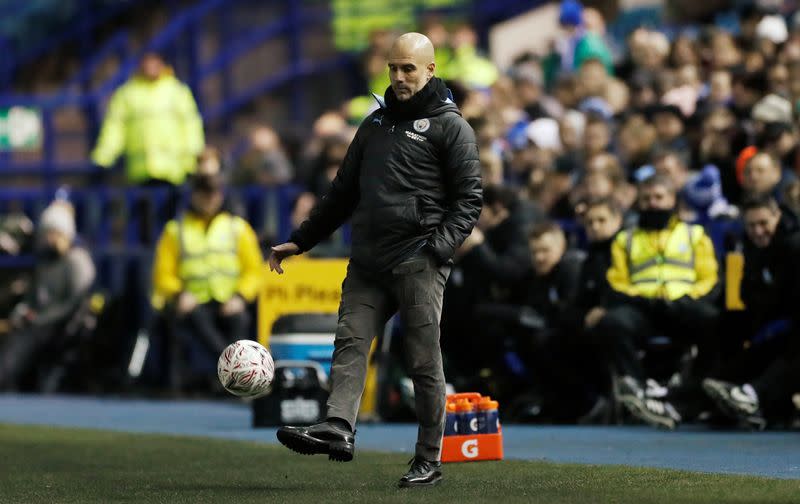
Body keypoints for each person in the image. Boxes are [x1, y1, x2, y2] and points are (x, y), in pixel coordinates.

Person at [270, 32, 481, 488]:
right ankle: (339, 428)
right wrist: (300, 241)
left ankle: (428, 459)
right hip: (368, 260)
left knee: (423, 362)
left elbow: (469, 200)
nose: (400, 77)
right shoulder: (374, 124)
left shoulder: (450, 127)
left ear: (430, 70)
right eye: (394, 68)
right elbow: (341, 194)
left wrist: (436, 250)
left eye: (409, 68)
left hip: (418, 259)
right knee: (349, 343)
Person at [599, 174, 719, 429]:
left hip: (683, 308)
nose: (653, 204)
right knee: (613, 322)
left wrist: (688, 298)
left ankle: (692, 395)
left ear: (672, 200)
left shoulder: (695, 234)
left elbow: (709, 277)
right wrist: (644, 299)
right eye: (646, 199)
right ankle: (637, 390)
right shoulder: (625, 239)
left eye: (659, 197)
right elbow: (617, 281)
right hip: (644, 310)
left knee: (713, 321)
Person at [151, 172, 264, 389]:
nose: (209, 199)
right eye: (204, 193)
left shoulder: (237, 228)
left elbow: (253, 270)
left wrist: (240, 296)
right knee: (198, 321)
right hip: (192, 301)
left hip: (228, 300)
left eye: (213, 193)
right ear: (194, 195)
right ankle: (239, 372)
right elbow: (163, 274)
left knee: (239, 319)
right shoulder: (176, 230)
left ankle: (230, 374)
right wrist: (179, 294)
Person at [703, 195, 800, 429]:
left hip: (793, 330)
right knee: (724, 325)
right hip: (778, 327)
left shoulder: (795, 246)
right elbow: (752, 297)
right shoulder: (751, 250)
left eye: (763, 223)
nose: (758, 231)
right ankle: (689, 399)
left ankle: (752, 394)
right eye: (752, 225)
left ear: (777, 217)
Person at [0, 200, 95, 390]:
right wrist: (23, 312)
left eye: (55, 234)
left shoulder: (77, 261)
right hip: (38, 324)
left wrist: (41, 318)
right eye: (47, 233)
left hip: (62, 327)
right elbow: (33, 297)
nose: (50, 239)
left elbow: (74, 303)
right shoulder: (45, 262)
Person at [91, 52, 205, 186]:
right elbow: (114, 128)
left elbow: (191, 127)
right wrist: (103, 157)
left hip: (174, 172)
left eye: (155, 63)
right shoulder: (127, 93)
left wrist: (192, 161)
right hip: (139, 171)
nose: (151, 68)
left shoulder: (177, 91)